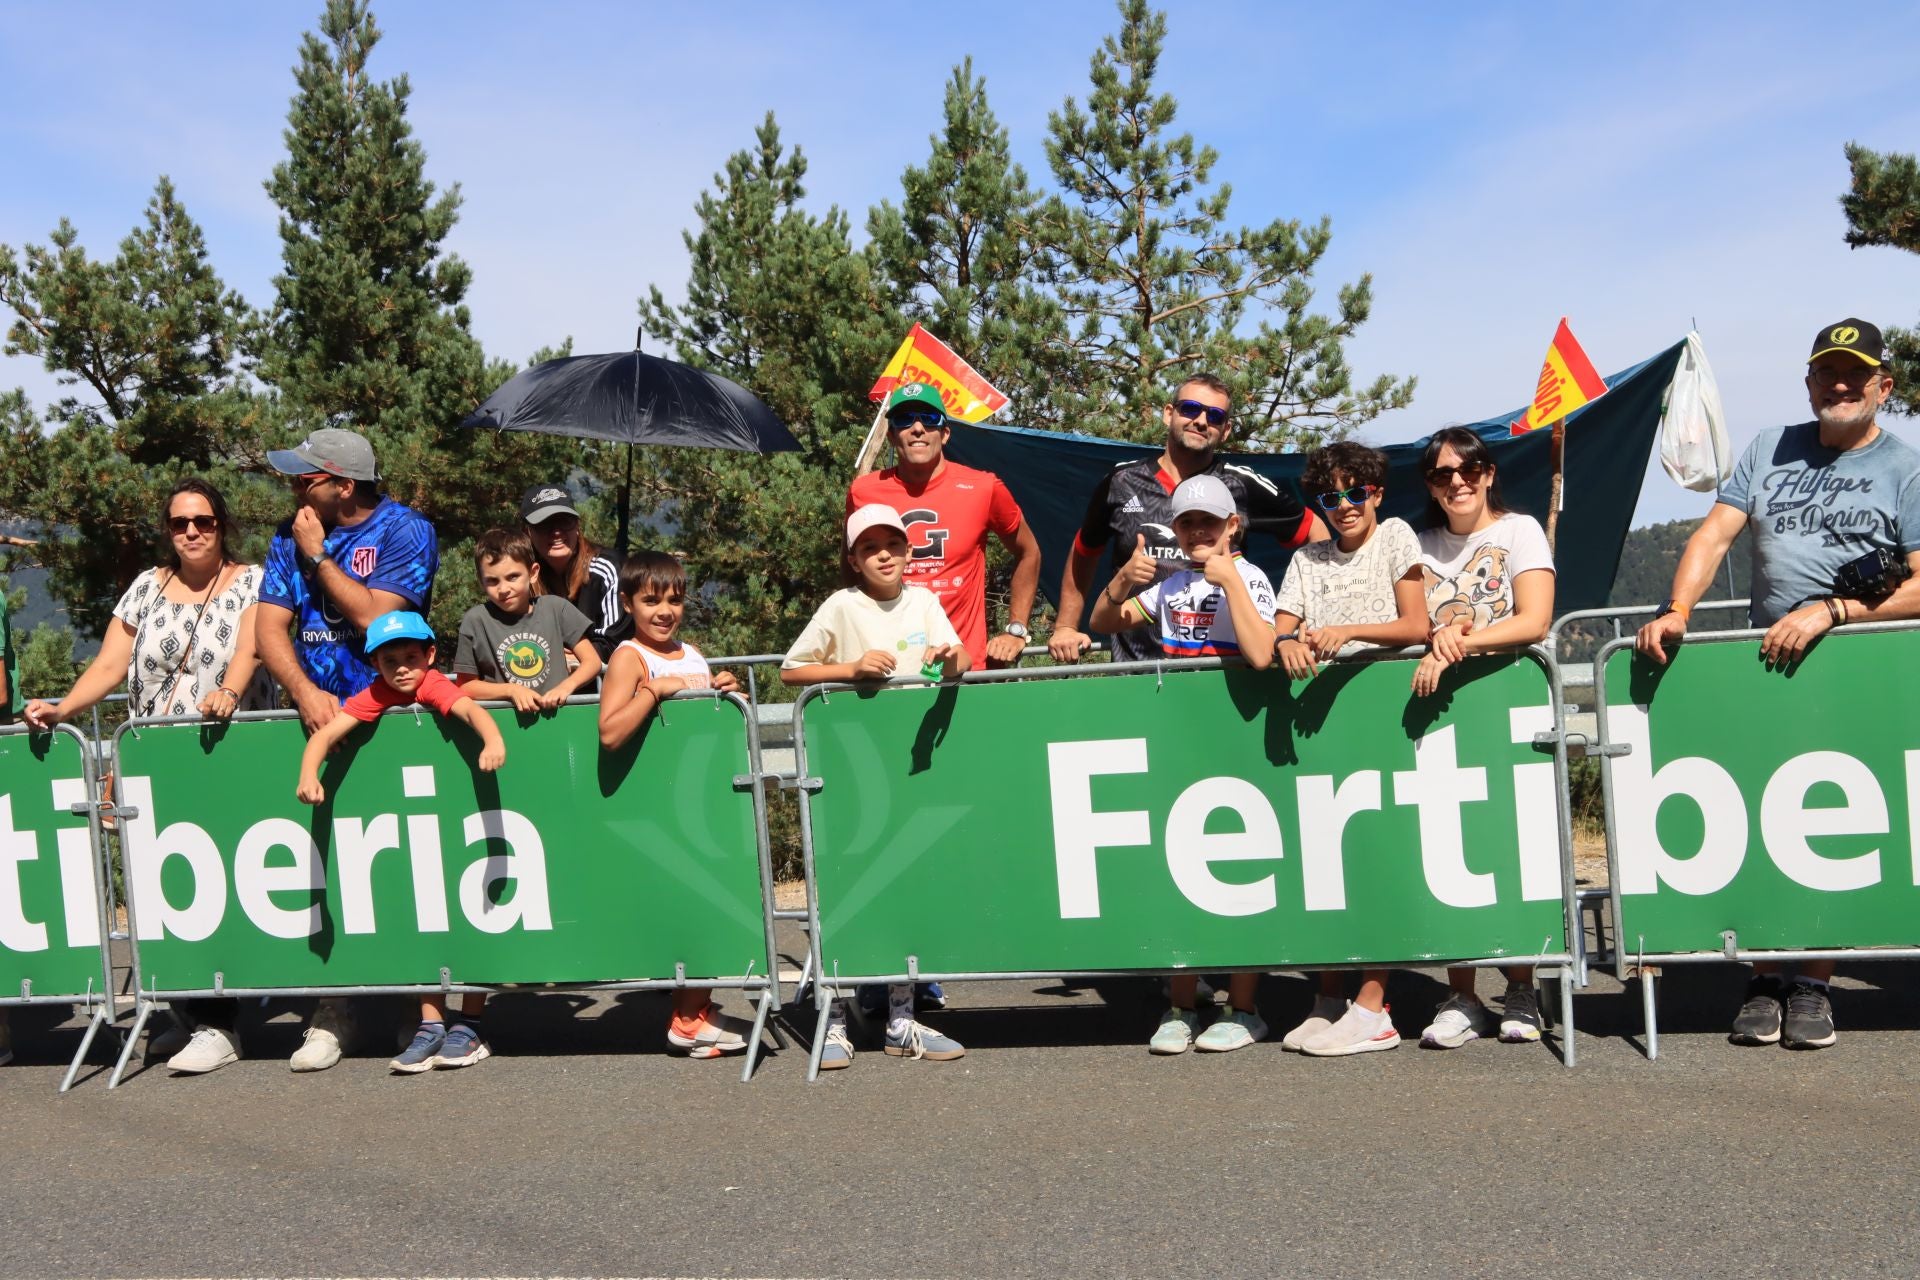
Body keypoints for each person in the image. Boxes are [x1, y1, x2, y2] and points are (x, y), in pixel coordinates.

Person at [1635, 318, 1920, 1051]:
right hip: (1767, 662)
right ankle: (1763, 975)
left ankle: (1813, 985)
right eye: (1828, 371)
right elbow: (1712, 536)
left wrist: (1833, 610)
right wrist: (1676, 609)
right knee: (1767, 817)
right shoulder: (1768, 448)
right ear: (1810, 382)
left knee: (1828, 823)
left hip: (1859, 668)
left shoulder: (1906, 468)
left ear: (1884, 386)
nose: (1841, 384)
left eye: (1856, 373)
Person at [24, 478, 271, 1076]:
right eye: (180, 523)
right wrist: (63, 710)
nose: (191, 531)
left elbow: (251, 650)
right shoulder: (145, 589)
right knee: (170, 883)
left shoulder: (252, 582)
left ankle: (222, 1020)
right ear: (167, 530)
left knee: (224, 880)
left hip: (225, 753)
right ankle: (191, 1015)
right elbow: (110, 664)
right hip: (155, 759)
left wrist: (231, 691)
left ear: (222, 525)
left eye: (204, 521)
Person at [256, 428, 439, 1073]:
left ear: (343, 484)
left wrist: (320, 556)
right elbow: (269, 624)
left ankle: (418, 1006)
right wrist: (304, 691)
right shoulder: (288, 534)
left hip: (393, 721)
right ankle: (332, 1010)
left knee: (402, 862)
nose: (294, 489)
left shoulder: (405, 531)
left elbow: (375, 619)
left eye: (306, 478)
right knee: (325, 863)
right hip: (315, 721)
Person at [1088, 474, 1278, 1053]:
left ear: (1232, 526)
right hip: (1178, 742)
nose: (1198, 532)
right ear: (1176, 529)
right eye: (1188, 522)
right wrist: (1121, 581)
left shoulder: (1249, 576)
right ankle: (1180, 1004)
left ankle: (1244, 1009)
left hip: (1238, 743)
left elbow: (1263, 653)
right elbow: (1102, 622)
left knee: (1242, 867)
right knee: (1175, 870)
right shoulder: (1170, 585)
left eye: (1210, 522)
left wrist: (1230, 585)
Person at [781, 503, 969, 1069]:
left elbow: (956, 660)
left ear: (909, 552)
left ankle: (902, 1020)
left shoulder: (926, 601)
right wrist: (851, 669)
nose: (884, 553)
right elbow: (792, 670)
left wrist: (948, 655)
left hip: (909, 767)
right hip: (849, 767)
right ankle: (834, 1022)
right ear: (854, 559)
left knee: (903, 884)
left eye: (893, 543)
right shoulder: (841, 605)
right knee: (841, 886)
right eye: (870, 546)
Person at [1267, 443, 1429, 1057]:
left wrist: (1349, 631)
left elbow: (1416, 625)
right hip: (1323, 728)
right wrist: (1286, 640)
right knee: (1327, 865)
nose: (1343, 506)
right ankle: (1329, 1000)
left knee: (1376, 863)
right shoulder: (1307, 558)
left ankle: (1373, 1008)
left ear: (1376, 494)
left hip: (1384, 723)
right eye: (1330, 497)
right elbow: (1284, 622)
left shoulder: (1396, 538)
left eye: (1354, 493)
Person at [296, 611, 507, 1072]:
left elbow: (470, 710)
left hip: (468, 825)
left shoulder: (433, 684)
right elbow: (327, 734)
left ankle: (469, 1027)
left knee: (476, 920)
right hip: (418, 828)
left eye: (412, 656)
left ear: (430, 655)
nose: (403, 667)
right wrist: (309, 773)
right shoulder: (377, 693)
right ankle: (431, 1025)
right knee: (425, 921)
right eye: (390, 659)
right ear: (376, 663)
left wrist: (493, 740)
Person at [1407, 427, 1556, 1049]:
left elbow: (1534, 619)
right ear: (1430, 486)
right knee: (1448, 848)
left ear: (1489, 473)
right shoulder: (1413, 545)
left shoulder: (1520, 531)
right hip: (1440, 714)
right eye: (1443, 475)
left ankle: (1522, 988)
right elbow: (1408, 623)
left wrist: (1459, 641)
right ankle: (1462, 993)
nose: (1457, 482)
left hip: (1508, 708)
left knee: (1510, 844)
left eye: (1468, 469)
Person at [597, 550, 759, 1060]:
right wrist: (655, 692)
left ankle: (698, 1010)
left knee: (708, 905)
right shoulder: (629, 656)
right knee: (690, 909)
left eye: (674, 600)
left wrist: (724, 693)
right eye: (650, 601)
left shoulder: (691, 651)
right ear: (628, 603)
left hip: (699, 802)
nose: (664, 611)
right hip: (658, 806)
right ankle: (686, 1021)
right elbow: (609, 731)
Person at [1049, 373, 1325, 664]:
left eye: (1215, 416)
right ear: (1169, 414)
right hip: (1137, 672)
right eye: (1190, 409)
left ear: (1226, 429)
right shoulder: (1121, 480)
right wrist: (1066, 626)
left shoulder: (1240, 483)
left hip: (1226, 675)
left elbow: (1313, 531)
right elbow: (1085, 549)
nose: (1202, 421)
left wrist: (1309, 616)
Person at [848, 382, 1043, 668]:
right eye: (904, 420)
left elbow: (1029, 552)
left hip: (963, 668)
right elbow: (851, 567)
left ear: (945, 433)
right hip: (887, 668)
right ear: (890, 435)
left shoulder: (983, 487)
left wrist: (1016, 629)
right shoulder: (863, 492)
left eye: (929, 419)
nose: (917, 428)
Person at [451, 527, 603, 712]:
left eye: (512, 577)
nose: (503, 588)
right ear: (481, 581)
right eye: (492, 581)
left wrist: (566, 687)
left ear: (533, 573)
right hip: (503, 722)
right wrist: (511, 691)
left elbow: (592, 662)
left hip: (559, 718)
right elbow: (465, 686)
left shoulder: (557, 608)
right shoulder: (475, 621)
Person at [521, 483, 630, 663]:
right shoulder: (520, 577)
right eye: (544, 524)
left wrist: (572, 656)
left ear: (577, 525)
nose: (556, 532)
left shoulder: (610, 568)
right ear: (528, 532)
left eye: (565, 521)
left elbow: (615, 643)